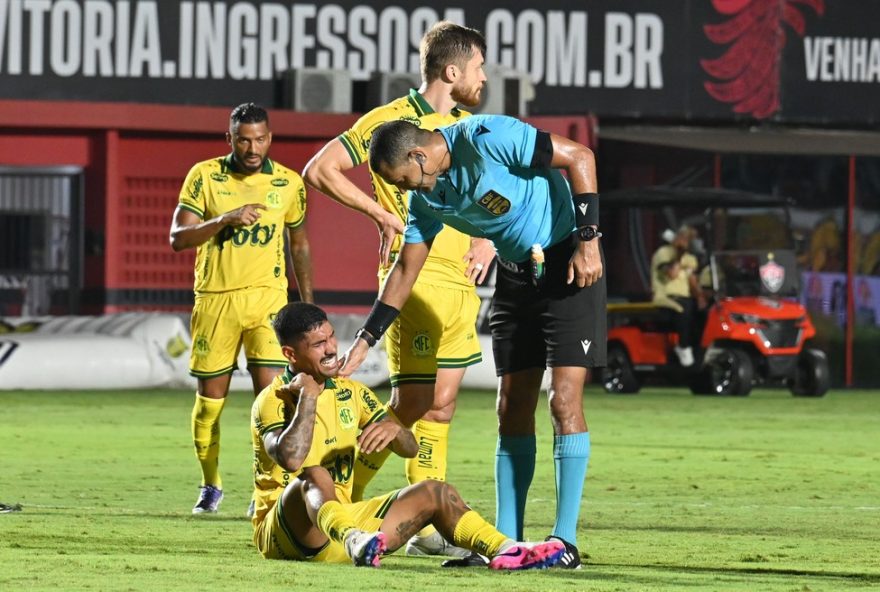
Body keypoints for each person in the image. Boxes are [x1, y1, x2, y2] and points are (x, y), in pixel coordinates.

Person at [341, 115, 608, 569]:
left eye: (406, 180)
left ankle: (564, 541)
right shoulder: (427, 198)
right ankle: (506, 542)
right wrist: (366, 340)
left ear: (419, 155)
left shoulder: (488, 137)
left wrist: (588, 242)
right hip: (516, 275)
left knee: (563, 403)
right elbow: (405, 270)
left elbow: (580, 157)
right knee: (510, 408)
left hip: (567, 265)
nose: (411, 192)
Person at [302, 21, 495, 559]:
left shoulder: (467, 128)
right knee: (417, 403)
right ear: (451, 70)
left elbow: (486, 197)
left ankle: (421, 521)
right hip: (414, 277)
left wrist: (488, 242)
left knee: (439, 406)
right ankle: (354, 500)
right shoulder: (391, 121)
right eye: (478, 66)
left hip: (460, 280)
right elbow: (320, 170)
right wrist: (382, 214)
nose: (484, 76)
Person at [251, 302, 565, 570]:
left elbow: (410, 448)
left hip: (349, 530)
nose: (332, 348)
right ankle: (353, 539)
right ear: (290, 354)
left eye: (331, 336)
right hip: (286, 535)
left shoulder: (352, 393)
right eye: (318, 344)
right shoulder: (273, 399)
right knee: (315, 475)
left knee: (435, 491)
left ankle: (507, 550)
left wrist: (395, 429)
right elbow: (291, 458)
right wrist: (307, 397)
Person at [170, 102, 314, 514]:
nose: (253, 148)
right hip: (216, 300)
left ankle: (265, 490)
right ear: (229, 138)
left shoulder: (288, 183)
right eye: (244, 139)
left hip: (268, 301)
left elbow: (299, 244)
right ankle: (211, 484)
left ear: (270, 137)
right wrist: (226, 218)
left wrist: (307, 304)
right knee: (209, 403)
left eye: (260, 139)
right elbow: (178, 237)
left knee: (271, 399)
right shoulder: (204, 176)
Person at [651, 225, 706, 367]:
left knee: (704, 311)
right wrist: (679, 254)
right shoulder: (663, 253)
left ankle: (700, 351)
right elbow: (672, 273)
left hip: (685, 297)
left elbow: (692, 280)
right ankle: (683, 346)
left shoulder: (690, 258)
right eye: (687, 238)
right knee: (685, 306)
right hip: (666, 298)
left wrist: (700, 296)